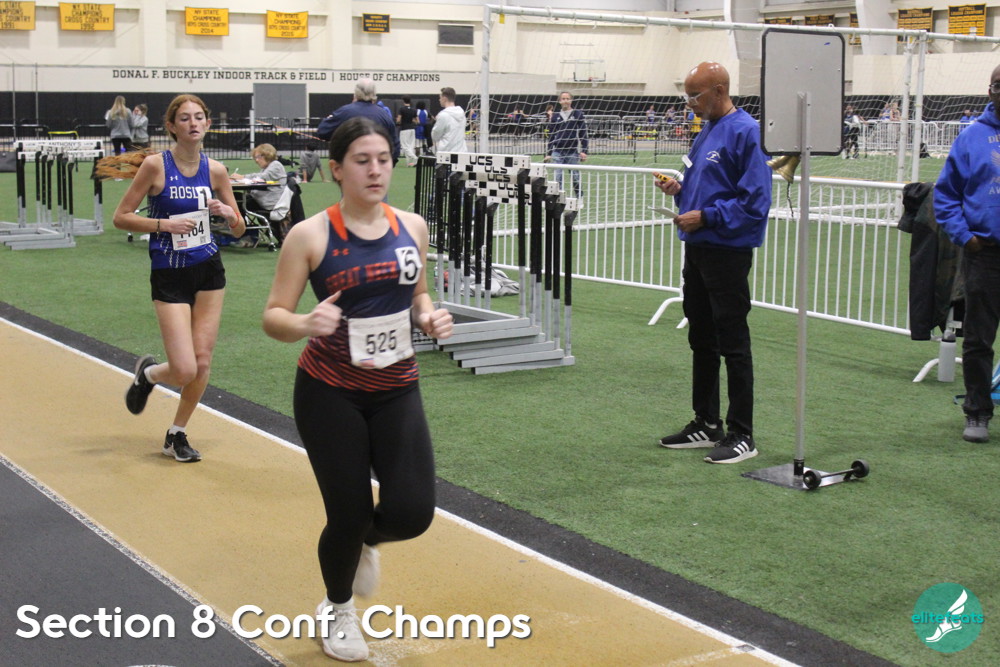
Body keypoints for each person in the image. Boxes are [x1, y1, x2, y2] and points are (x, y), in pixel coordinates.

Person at [262, 116, 453, 661]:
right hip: (330, 392)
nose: (375, 171)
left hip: (397, 388)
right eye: (362, 161)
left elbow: (418, 294)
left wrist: (427, 316)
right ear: (337, 169)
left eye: (383, 160)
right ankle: (338, 608)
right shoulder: (311, 235)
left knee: (413, 513)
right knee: (347, 513)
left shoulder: (412, 226)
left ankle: (366, 542)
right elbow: (274, 315)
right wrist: (305, 323)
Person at [107, 93, 246, 462]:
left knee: (203, 361)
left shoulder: (216, 171)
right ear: (171, 126)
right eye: (184, 118)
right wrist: (164, 225)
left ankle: (176, 434)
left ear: (208, 124)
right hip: (169, 272)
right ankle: (149, 375)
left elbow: (239, 229)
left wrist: (227, 213)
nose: (193, 123)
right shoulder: (155, 166)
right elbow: (121, 217)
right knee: (184, 368)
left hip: (208, 269)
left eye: (199, 117)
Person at [652, 62, 772, 464]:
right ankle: (706, 422)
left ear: (719, 90)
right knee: (701, 338)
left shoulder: (747, 132)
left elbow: (755, 203)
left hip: (727, 252)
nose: (690, 103)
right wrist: (679, 190)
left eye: (695, 95)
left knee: (733, 342)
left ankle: (742, 433)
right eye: (687, 95)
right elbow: (707, 186)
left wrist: (706, 216)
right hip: (698, 249)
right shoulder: (706, 130)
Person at [933, 66, 1000, 444]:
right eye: (999, 86)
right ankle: (977, 411)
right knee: (978, 340)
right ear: (990, 90)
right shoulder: (971, 137)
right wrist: (966, 238)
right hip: (985, 255)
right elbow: (945, 196)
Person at [316, 78, 400, 166]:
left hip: (351, 165)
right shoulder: (384, 114)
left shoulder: (345, 112)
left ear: (356, 93)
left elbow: (323, 131)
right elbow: (395, 145)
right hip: (377, 166)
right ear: (374, 93)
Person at [232, 143, 287, 247]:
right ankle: (242, 231)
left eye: (258, 157)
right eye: (255, 158)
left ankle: (242, 232)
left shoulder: (276, 165)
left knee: (237, 202)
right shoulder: (268, 167)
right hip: (262, 199)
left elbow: (263, 177)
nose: (256, 160)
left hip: (269, 201)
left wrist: (243, 177)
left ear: (267, 154)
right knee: (236, 197)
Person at [544, 91, 588, 197]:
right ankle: (558, 199)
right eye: (563, 99)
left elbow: (583, 133)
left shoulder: (577, 114)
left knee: (575, 177)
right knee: (557, 178)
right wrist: (549, 153)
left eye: (567, 98)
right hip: (557, 151)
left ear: (571, 100)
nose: (565, 101)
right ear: (559, 101)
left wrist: (584, 151)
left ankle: (579, 198)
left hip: (572, 151)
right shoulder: (555, 116)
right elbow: (551, 136)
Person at [431, 86, 468, 154]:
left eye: (440, 98)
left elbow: (435, 136)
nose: (439, 100)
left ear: (444, 98)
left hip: (447, 154)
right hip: (462, 152)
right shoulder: (462, 113)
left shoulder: (443, 115)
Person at [396, 95, 419, 166]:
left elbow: (398, 120)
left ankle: (415, 158)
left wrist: (398, 122)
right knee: (410, 146)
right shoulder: (414, 110)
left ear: (403, 101)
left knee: (404, 146)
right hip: (412, 129)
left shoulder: (401, 109)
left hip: (404, 129)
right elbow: (417, 121)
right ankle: (408, 162)